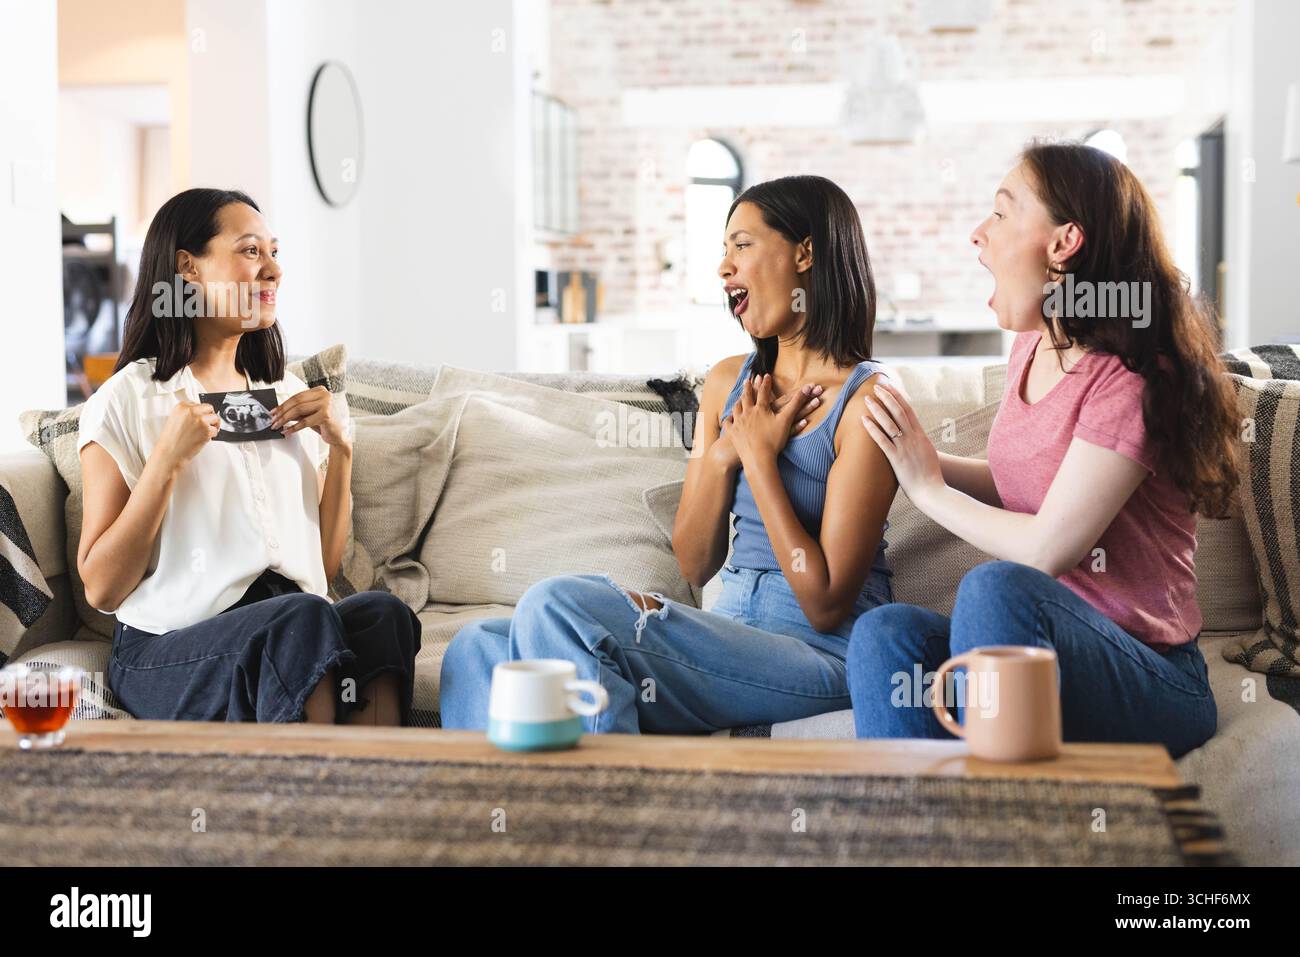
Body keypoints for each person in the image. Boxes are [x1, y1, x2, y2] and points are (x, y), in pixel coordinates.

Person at [441, 175, 898, 734]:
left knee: (559, 605)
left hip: (822, 655)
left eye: (742, 245)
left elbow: (826, 602)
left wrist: (759, 461)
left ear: (804, 253)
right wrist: (726, 457)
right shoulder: (729, 382)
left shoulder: (867, 400)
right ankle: (521, 809)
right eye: (724, 250)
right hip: (724, 642)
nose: (724, 267)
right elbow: (694, 562)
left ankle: (618, 799)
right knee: (477, 648)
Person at [849, 141, 1239, 758]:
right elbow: (1024, 485)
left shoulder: (1130, 378)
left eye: (1001, 214)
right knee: (884, 634)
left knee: (997, 589)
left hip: (1152, 679)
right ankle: (925, 827)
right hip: (1041, 659)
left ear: (1063, 244)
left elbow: (1046, 550)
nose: (979, 233)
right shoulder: (1033, 348)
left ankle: (1008, 821)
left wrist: (929, 489)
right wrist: (911, 460)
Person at [78, 188, 420, 725]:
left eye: (274, 253)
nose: (274, 271)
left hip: (292, 624)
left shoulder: (285, 394)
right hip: (169, 650)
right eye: (251, 251)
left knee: (382, 615)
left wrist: (341, 447)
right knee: (302, 619)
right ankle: (315, 797)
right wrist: (164, 464)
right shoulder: (128, 400)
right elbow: (101, 586)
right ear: (188, 269)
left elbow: (321, 572)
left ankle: (376, 793)